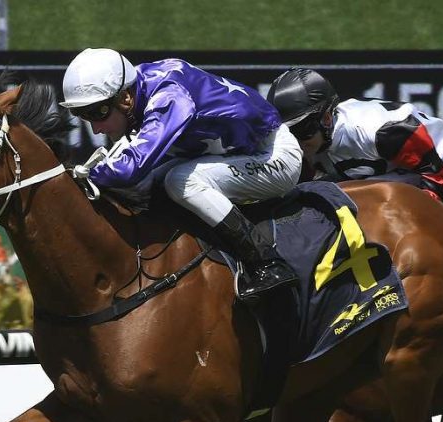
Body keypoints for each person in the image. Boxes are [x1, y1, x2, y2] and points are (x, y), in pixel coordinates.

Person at [61, 48, 302, 300]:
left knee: (181, 181)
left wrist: (89, 175)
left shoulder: (169, 95)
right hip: (233, 153)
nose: (95, 129)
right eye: (83, 116)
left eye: (97, 113)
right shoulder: (136, 85)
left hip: (274, 157)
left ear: (125, 98)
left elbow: (131, 168)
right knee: (153, 183)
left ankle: (267, 262)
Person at [266, 68, 443, 201]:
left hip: (433, 173)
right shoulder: (301, 144)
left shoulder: (383, 131)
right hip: (371, 177)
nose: (296, 142)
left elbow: (440, 175)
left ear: (326, 118)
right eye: (286, 133)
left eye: (302, 130)